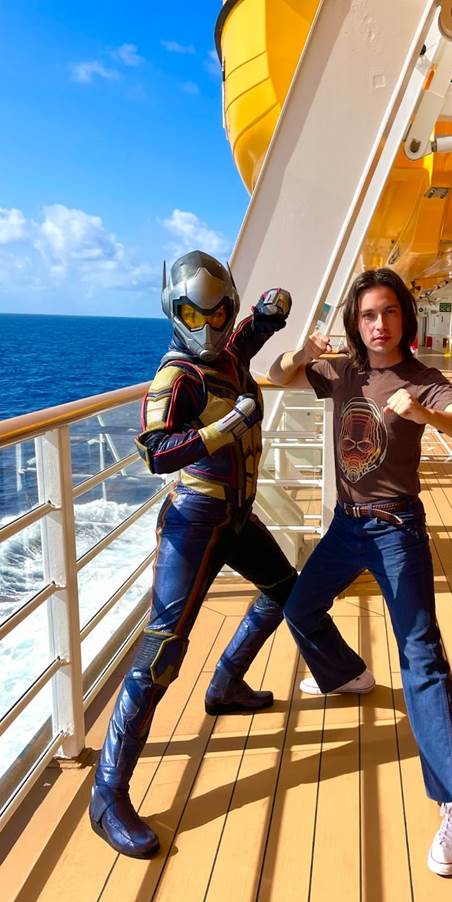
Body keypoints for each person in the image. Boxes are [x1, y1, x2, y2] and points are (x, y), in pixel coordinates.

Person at [268, 267, 452, 876]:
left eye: (389, 311)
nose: (379, 323)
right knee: (300, 608)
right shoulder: (343, 371)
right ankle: (349, 674)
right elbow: (276, 375)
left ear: (404, 318)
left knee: (421, 656)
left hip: (396, 529)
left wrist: (423, 414)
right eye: (368, 314)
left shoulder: (423, 379)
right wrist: (301, 353)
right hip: (346, 526)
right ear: (355, 324)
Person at [89, 251, 298, 859]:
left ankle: (226, 682)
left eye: (218, 314)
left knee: (287, 592)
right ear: (174, 313)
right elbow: (156, 451)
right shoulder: (176, 376)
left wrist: (271, 310)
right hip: (195, 520)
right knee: (161, 652)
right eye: (191, 314)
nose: (207, 326)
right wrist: (224, 427)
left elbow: (248, 335)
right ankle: (107, 793)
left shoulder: (227, 353)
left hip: (236, 516)